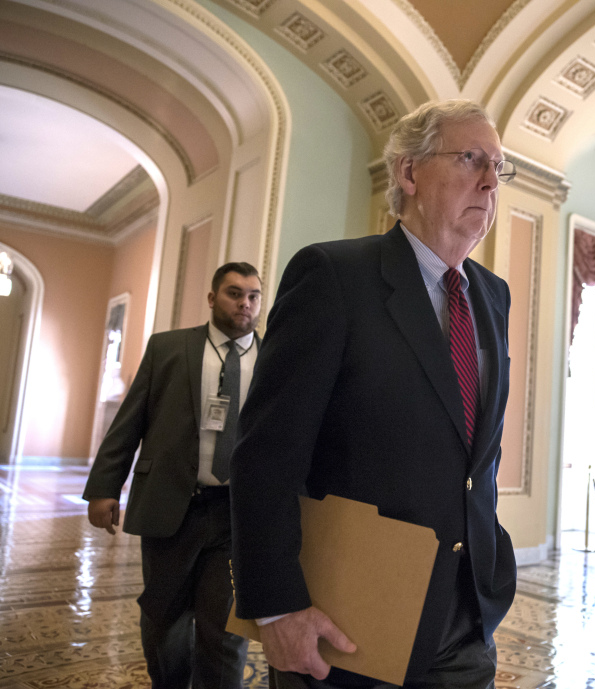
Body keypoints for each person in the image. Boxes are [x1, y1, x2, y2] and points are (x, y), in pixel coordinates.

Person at [229, 99, 518, 688]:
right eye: (470, 159)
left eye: (498, 166)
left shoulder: (493, 296)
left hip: (466, 614)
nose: (490, 181)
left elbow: (470, 448)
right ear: (409, 173)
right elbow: (267, 454)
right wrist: (277, 606)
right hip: (350, 614)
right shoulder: (334, 277)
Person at [83, 262, 262, 688]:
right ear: (212, 298)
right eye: (234, 293)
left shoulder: (275, 359)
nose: (245, 303)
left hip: (235, 516)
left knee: (227, 629)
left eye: (253, 295)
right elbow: (130, 422)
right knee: (165, 621)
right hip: (171, 506)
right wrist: (105, 487)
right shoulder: (168, 348)